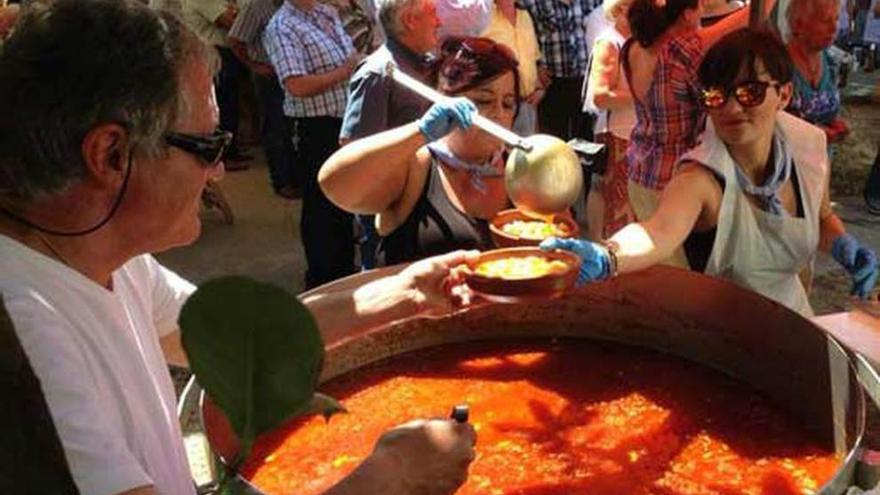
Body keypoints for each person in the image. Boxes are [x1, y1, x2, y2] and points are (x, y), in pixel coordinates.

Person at [0, 1, 478, 493]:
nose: (220, 172)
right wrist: (392, 478)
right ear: (111, 154)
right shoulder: (23, 338)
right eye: (207, 147)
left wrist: (406, 292)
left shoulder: (111, 262)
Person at [543, 28, 879, 317]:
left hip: (796, 319)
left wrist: (843, 246)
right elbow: (658, 232)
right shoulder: (701, 177)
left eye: (750, 92)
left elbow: (820, 218)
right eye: (717, 95)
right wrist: (608, 256)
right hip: (727, 334)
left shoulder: (807, 148)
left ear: (784, 94)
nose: (733, 107)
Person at [320, 36, 519, 264]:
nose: (499, 114)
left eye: (508, 103)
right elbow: (335, 185)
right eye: (484, 100)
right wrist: (419, 132)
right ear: (445, 100)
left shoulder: (520, 169)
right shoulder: (417, 164)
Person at [621, 0, 776, 267]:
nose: (703, 15)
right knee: (686, 274)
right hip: (678, 182)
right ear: (685, 14)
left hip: (640, 171)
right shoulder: (683, 52)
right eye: (700, 8)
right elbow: (717, 102)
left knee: (658, 266)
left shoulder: (632, 47)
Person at [264, 0, 361, 289]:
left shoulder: (323, 12)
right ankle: (323, 277)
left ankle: (343, 269)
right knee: (321, 206)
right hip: (316, 128)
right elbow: (296, 85)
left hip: (342, 123)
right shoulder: (282, 27)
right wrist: (345, 71)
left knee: (343, 199)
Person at [339, 0, 442, 270]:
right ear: (410, 20)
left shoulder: (428, 66)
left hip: (424, 199)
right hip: (388, 208)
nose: (439, 22)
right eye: (432, 13)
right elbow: (355, 150)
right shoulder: (378, 73)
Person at [227, 0, 301, 199]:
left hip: (294, 74)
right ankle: (282, 181)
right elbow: (235, 40)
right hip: (270, 74)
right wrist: (254, 65)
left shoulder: (293, 5)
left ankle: (295, 177)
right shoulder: (257, 6)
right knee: (275, 128)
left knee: (291, 128)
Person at [583, 0, 636, 240]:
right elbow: (601, 96)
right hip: (616, 134)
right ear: (622, 8)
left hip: (632, 133)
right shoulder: (609, 41)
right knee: (614, 205)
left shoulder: (633, 42)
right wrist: (643, 94)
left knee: (625, 204)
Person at [183, 0, 252, 166]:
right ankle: (223, 155)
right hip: (213, 53)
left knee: (230, 103)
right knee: (222, 104)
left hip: (224, 53)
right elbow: (232, 23)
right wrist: (237, 13)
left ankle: (230, 151)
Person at [520, 0, 595, 140]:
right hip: (551, 85)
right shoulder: (531, 3)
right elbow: (522, 33)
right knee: (554, 142)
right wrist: (535, 66)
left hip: (587, 82)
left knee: (588, 144)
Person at [785, 0, 850, 144]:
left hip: (820, 161)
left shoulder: (831, 62)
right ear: (799, 24)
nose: (834, 28)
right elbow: (775, 123)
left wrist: (835, 124)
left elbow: (827, 112)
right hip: (790, 161)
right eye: (825, 20)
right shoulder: (779, 65)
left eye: (836, 19)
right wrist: (815, 133)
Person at [480, 0, 545, 135]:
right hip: (498, 108)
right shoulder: (483, 18)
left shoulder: (525, 16)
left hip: (528, 105)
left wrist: (539, 87)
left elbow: (533, 58)